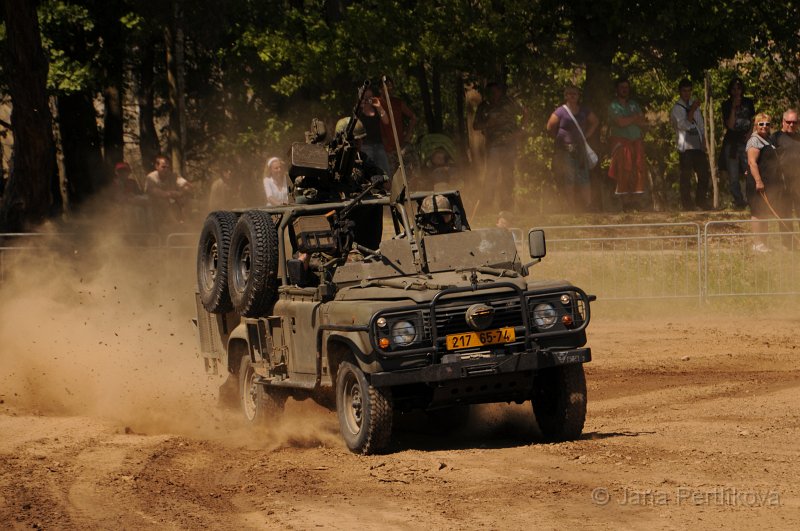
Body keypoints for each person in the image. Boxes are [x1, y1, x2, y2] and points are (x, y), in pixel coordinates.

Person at [474, 82, 527, 210]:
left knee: (508, 175)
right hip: (493, 145)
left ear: (500, 91)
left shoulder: (509, 102)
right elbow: (476, 125)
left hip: (510, 144)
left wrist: (521, 129)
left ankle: (506, 206)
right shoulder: (484, 106)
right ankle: (487, 205)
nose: (492, 94)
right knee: (491, 174)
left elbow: (525, 111)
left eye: (495, 91)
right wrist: (488, 124)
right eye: (489, 92)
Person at [546, 85, 599, 211]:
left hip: (580, 149)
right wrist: (559, 139)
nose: (572, 96)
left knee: (584, 177)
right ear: (565, 96)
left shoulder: (583, 110)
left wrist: (587, 134)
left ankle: (588, 206)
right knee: (569, 178)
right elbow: (549, 126)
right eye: (569, 93)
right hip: (565, 149)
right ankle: (571, 207)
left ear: (578, 96)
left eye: (574, 93)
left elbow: (595, 121)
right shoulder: (560, 111)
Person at [746, 113, 786, 252]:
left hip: (768, 183)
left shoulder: (768, 139)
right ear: (756, 125)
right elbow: (752, 162)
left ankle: (764, 242)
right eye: (761, 124)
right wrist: (758, 181)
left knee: (764, 212)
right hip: (758, 183)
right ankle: (757, 243)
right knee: (757, 212)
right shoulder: (754, 140)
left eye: (767, 124)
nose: (764, 127)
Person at [670, 78, 712, 211]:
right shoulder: (677, 108)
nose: (687, 93)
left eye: (689, 90)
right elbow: (683, 124)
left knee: (704, 174)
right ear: (680, 92)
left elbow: (700, 124)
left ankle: (701, 201)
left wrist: (704, 140)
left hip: (697, 146)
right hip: (685, 148)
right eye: (684, 91)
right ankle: (687, 205)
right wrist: (692, 109)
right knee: (686, 178)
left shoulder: (695, 106)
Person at [607, 78, 648, 211]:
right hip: (621, 141)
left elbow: (643, 121)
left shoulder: (634, 104)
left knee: (638, 169)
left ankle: (636, 201)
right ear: (617, 89)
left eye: (626, 87)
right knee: (624, 170)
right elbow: (620, 122)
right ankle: (626, 203)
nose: (624, 89)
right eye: (622, 87)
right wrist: (634, 118)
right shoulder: (613, 105)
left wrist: (631, 119)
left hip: (636, 140)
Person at [720, 78, 755, 209]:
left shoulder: (748, 102)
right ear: (730, 90)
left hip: (746, 140)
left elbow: (753, 120)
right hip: (732, 142)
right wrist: (733, 108)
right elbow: (729, 125)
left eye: (739, 88)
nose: (736, 91)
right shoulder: (726, 104)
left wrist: (750, 134)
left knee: (750, 171)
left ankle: (751, 199)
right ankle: (738, 201)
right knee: (733, 174)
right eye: (734, 88)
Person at [379, 77, 417, 175]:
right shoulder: (377, 103)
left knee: (406, 173)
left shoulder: (397, 103)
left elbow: (413, 117)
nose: (389, 90)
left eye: (391, 87)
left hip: (400, 145)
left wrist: (408, 135)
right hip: (385, 148)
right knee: (390, 176)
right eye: (386, 87)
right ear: (380, 89)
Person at [144, 155, 192, 224]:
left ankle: (186, 223)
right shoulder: (151, 177)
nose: (166, 169)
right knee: (164, 201)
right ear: (156, 167)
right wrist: (172, 193)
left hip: (171, 201)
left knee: (185, 200)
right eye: (163, 167)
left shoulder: (172, 176)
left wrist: (185, 189)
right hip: (154, 204)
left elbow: (186, 184)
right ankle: (175, 224)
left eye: (168, 167)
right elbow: (154, 191)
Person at [772, 109, 800, 226]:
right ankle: (786, 244)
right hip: (782, 181)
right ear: (783, 122)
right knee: (784, 214)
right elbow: (767, 158)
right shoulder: (776, 137)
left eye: (794, 122)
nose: (791, 125)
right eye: (788, 122)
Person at [357, 87, 391, 175]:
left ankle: (387, 188)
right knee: (368, 172)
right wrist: (361, 105)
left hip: (379, 145)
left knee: (385, 172)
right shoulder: (358, 111)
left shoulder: (376, 109)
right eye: (366, 97)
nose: (368, 99)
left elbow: (386, 121)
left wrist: (379, 106)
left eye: (370, 97)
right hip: (365, 146)